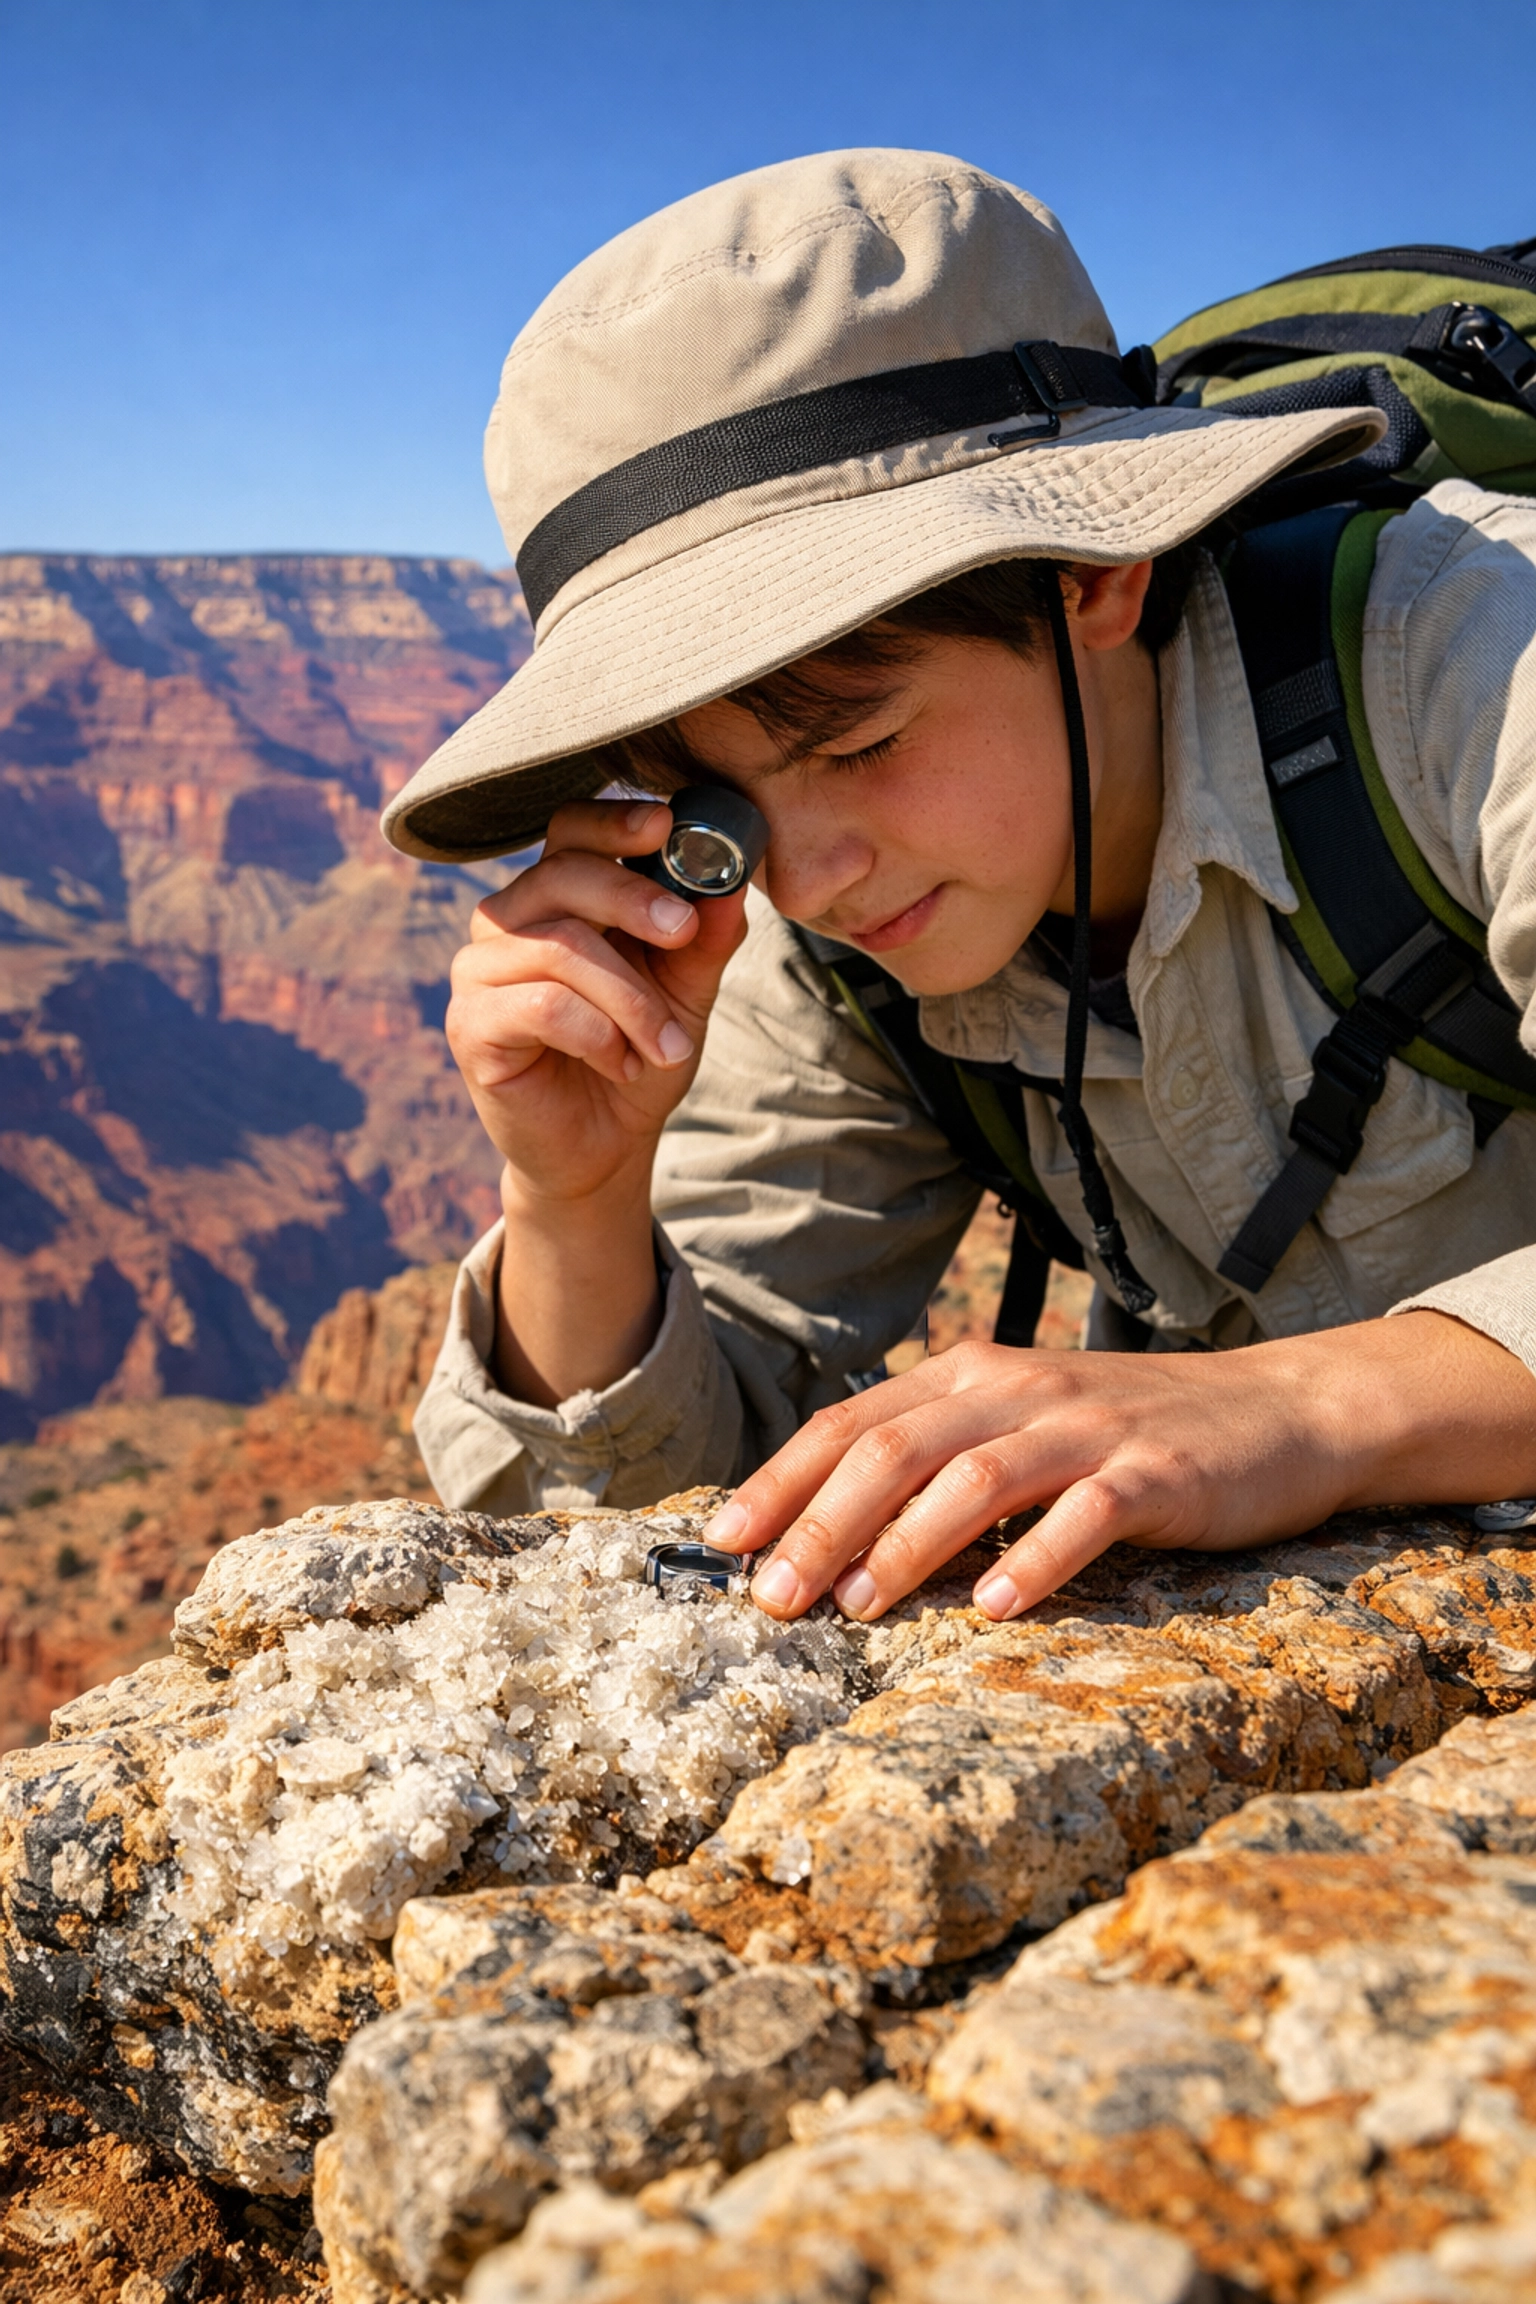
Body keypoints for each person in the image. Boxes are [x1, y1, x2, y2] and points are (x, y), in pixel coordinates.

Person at [386, 149, 1536, 1627]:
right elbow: (654, 1518)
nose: (800, 879)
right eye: (716, 797)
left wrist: (1299, 1406)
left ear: (1090, 578)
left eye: (859, 745)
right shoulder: (846, 949)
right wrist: (576, 1197)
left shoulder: (1473, 660)